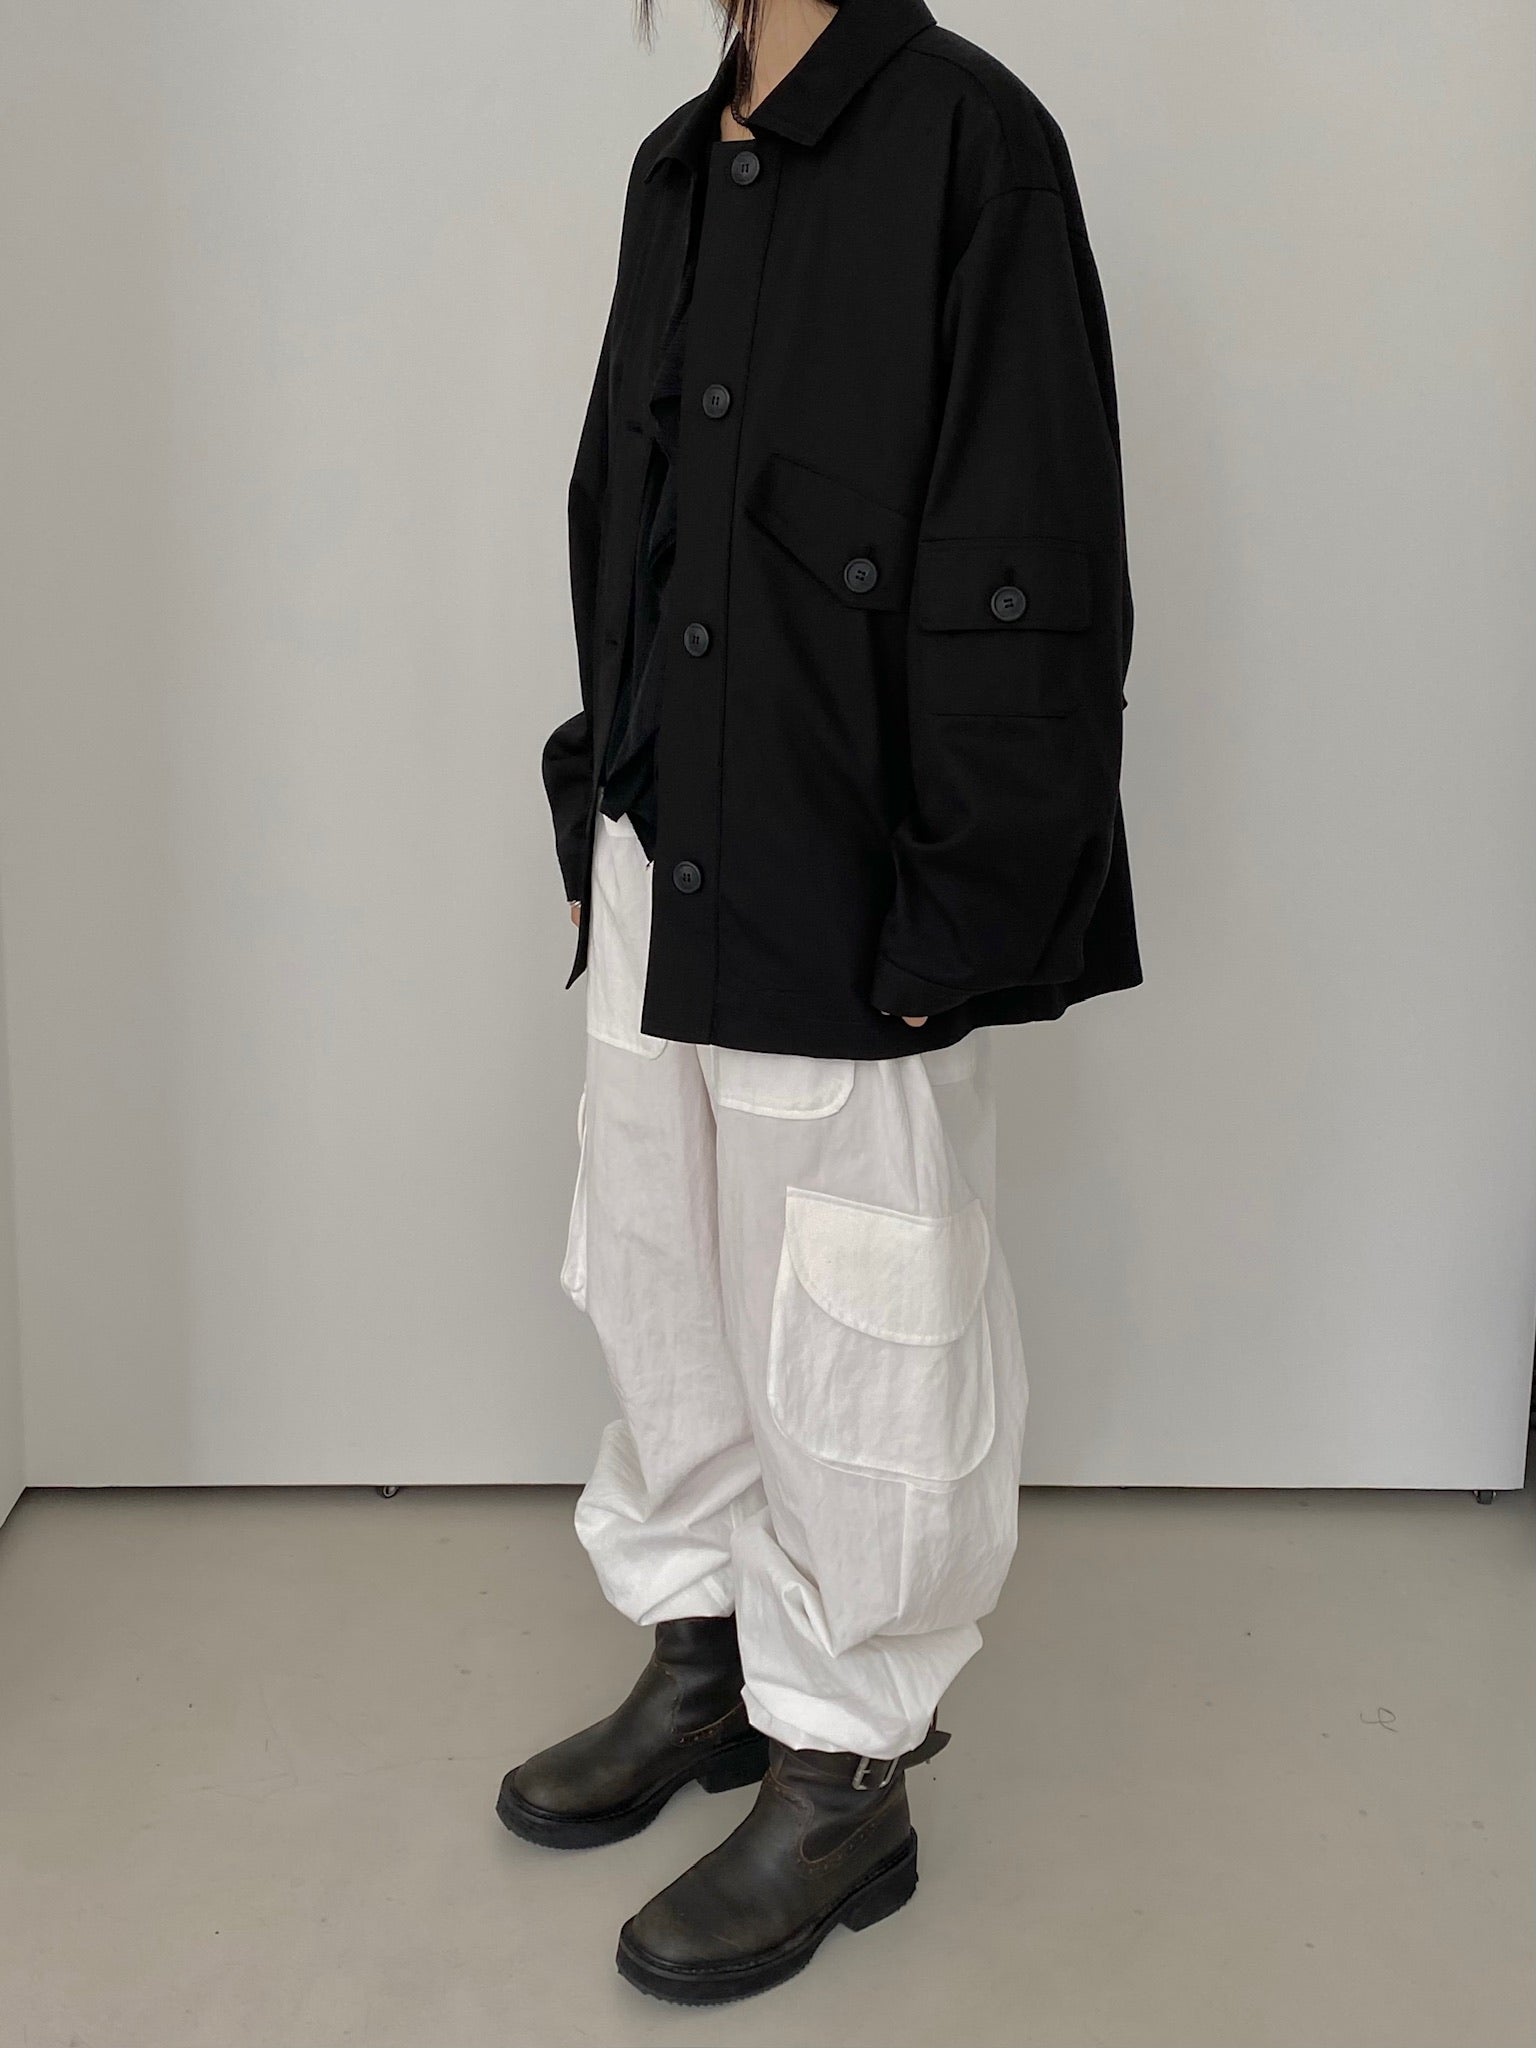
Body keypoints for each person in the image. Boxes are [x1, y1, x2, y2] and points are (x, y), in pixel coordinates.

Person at [502, 0, 1140, 2006]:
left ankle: (847, 1759)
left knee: (850, 1304)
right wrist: (597, 785)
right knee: (661, 1262)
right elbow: (626, 507)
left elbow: (1036, 543)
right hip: (663, 835)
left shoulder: (969, 143)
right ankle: (705, 1648)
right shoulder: (677, 165)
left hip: (841, 864)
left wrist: (961, 905)